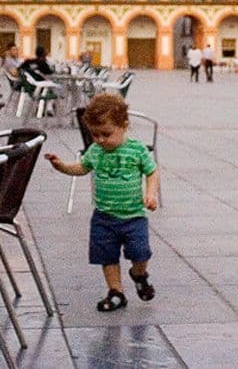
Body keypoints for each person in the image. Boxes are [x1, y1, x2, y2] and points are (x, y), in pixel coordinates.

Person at [44, 93, 160, 313]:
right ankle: (116, 292)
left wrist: (151, 194)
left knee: (140, 253)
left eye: (106, 134)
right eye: (95, 135)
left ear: (124, 126)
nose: (100, 140)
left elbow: (152, 172)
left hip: (133, 216)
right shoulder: (96, 151)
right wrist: (61, 166)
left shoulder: (136, 150)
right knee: (107, 256)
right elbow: (81, 168)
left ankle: (138, 274)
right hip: (104, 217)